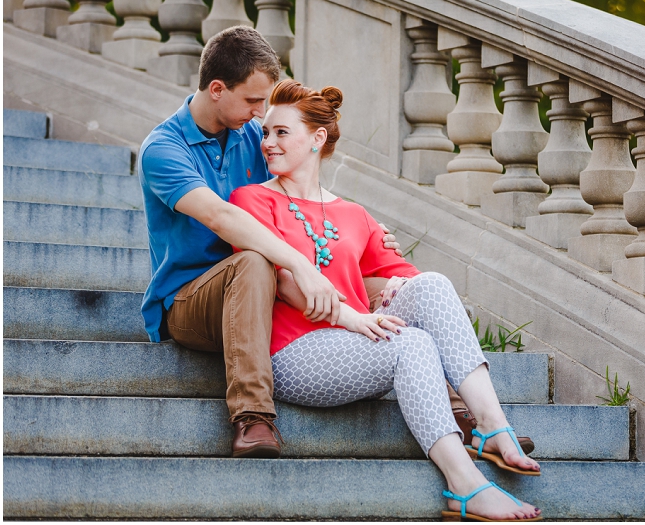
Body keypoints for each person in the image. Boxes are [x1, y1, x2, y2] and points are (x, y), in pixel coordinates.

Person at [229, 79, 542, 522]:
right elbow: (283, 283)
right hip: (294, 352)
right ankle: (465, 485)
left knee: (431, 283)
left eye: (281, 132)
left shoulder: (355, 215)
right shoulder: (251, 199)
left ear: (317, 138)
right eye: (266, 132)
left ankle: (491, 425)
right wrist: (354, 318)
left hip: (358, 341)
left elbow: (405, 277)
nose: (267, 143)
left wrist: (394, 287)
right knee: (410, 344)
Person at [137, 26, 403, 458]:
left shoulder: (250, 136)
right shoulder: (164, 149)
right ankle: (253, 415)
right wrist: (301, 266)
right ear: (217, 89)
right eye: (253, 100)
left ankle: (458, 402)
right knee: (256, 263)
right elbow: (220, 216)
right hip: (189, 301)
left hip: (269, 288)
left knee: (395, 285)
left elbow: (297, 193)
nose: (263, 115)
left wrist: (366, 228)